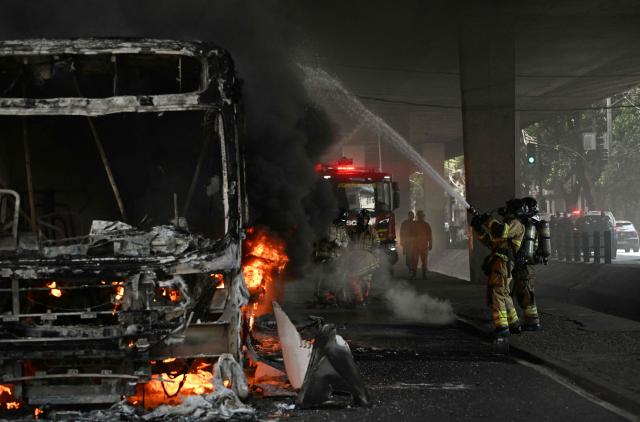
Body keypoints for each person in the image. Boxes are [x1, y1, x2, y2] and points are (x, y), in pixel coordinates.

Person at [470, 199, 525, 337]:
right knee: (503, 293)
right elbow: (490, 242)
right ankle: (514, 324)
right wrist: (479, 229)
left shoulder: (516, 224)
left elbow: (500, 231)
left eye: (507, 208)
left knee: (497, 293)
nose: (504, 211)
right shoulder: (509, 225)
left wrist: (488, 220)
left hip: (504, 263)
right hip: (499, 262)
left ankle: (502, 327)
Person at [512, 197, 542, 331]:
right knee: (525, 291)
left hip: (524, 263)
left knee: (525, 292)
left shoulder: (528, 224)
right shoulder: (535, 223)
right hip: (527, 262)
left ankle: (532, 322)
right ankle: (531, 321)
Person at [347, 209, 380, 304]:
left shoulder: (372, 231)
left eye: (365, 218)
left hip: (367, 258)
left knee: (366, 280)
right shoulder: (353, 230)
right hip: (355, 257)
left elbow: (377, 243)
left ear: (368, 219)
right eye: (362, 218)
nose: (363, 220)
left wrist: (374, 254)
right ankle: (359, 299)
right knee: (354, 278)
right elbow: (348, 243)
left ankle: (364, 297)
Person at [409, 210, 432, 280]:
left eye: (422, 216)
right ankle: (414, 274)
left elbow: (429, 236)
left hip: (423, 246)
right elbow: (410, 234)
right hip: (416, 246)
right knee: (414, 261)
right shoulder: (414, 225)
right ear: (418, 217)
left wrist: (430, 244)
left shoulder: (426, 225)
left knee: (424, 261)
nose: (421, 217)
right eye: (420, 216)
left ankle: (424, 275)